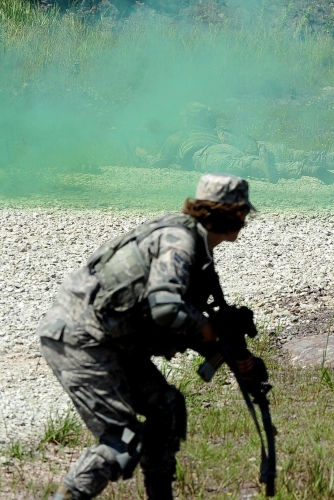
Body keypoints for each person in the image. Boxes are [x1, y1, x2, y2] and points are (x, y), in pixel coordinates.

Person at [39, 173, 267, 500]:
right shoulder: (180, 242)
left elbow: (178, 318)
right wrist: (206, 328)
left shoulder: (195, 244)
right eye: (244, 212)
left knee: (166, 406)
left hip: (113, 339)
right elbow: (166, 309)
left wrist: (233, 356)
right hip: (81, 339)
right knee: (123, 441)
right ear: (233, 214)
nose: (246, 219)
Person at [140, 102, 334, 185]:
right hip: (242, 144)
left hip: (209, 154)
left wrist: (140, 155)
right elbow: (243, 141)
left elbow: (159, 162)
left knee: (241, 165)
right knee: (311, 153)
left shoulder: (181, 137)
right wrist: (258, 146)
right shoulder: (220, 130)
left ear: (188, 120)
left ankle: (299, 170)